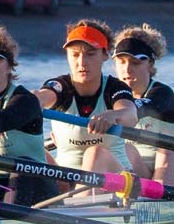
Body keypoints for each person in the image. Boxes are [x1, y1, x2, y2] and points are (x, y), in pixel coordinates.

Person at [0, 24, 60, 205]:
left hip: (36, 188)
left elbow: (2, 120)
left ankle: (10, 221)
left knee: (22, 165)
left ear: (9, 66)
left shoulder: (25, 100)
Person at [35, 18, 138, 174]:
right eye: (75, 55)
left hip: (116, 182)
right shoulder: (60, 87)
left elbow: (131, 115)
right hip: (66, 180)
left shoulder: (115, 88)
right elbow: (41, 97)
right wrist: (29, 101)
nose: (82, 62)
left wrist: (114, 115)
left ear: (105, 54)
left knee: (94, 152)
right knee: (32, 154)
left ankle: (80, 197)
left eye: (90, 54)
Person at [110, 24, 174, 187]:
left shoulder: (162, 94)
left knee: (167, 147)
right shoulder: (112, 96)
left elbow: (140, 108)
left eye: (135, 63)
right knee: (125, 150)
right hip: (144, 174)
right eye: (121, 62)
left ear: (150, 65)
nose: (127, 70)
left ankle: (157, 205)